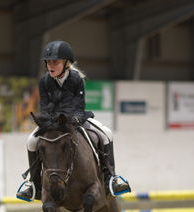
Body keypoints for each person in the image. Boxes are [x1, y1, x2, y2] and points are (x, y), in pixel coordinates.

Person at [17, 40, 131, 201]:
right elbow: (44, 105)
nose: (51, 65)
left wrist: (71, 119)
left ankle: (111, 178)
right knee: (31, 141)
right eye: (48, 62)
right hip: (52, 122)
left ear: (66, 63)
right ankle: (33, 184)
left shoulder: (76, 78)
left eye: (55, 62)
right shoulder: (44, 81)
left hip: (74, 118)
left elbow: (78, 104)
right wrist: (49, 121)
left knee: (106, 133)